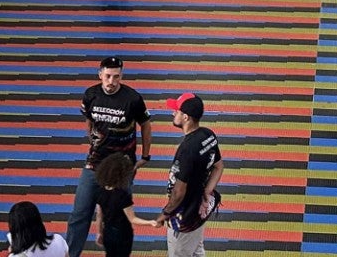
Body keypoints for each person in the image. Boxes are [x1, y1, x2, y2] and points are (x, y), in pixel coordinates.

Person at [66, 56, 152, 257]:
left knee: (117, 217)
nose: (111, 81)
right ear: (100, 75)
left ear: (121, 76)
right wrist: (93, 143)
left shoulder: (133, 99)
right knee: (79, 214)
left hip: (121, 169)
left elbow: (146, 125)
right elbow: (89, 120)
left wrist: (145, 156)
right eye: (107, 76)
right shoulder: (90, 95)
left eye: (116, 77)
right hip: (95, 162)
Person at [155, 94, 223, 257]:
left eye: (176, 111)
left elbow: (179, 192)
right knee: (196, 250)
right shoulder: (208, 135)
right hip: (198, 212)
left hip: (184, 218)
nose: (173, 114)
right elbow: (219, 166)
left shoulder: (187, 149)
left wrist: (165, 214)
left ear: (185, 117)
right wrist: (207, 191)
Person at [94, 152, 160, 257]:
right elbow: (132, 218)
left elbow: (99, 215)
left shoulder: (100, 192)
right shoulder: (122, 195)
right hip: (122, 234)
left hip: (108, 233)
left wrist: (99, 233)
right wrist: (150, 222)